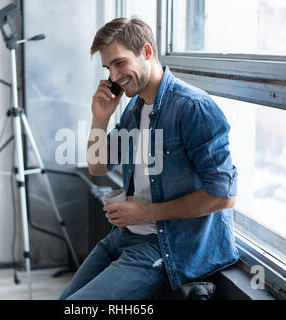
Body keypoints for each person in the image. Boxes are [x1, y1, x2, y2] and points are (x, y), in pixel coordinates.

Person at [59, 17, 239, 300]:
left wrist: (146, 213)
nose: (114, 77)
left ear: (146, 51)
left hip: (164, 246)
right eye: (108, 68)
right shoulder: (135, 109)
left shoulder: (194, 108)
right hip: (126, 236)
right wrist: (100, 118)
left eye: (119, 63)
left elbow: (224, 197)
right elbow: (98, 166)